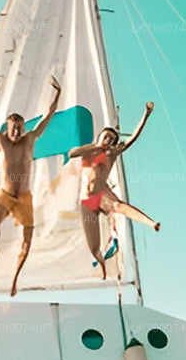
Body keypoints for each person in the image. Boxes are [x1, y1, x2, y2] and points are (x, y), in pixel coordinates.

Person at [0, 76, 61, 296]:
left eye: (19, 128)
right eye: (13, 128)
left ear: (24, 127)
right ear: (7, 128)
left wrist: (58, 93)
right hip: (6, 195)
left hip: (25, 198)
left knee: (27, 241)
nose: (16, 132)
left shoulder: (30, 138)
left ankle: (15, 279)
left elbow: (49, 116)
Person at [67, 102, 160, 279]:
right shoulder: (89, 151)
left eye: (112, 140)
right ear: (100, 137)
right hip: (87, 200)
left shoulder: (111, 154)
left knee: (118, 205)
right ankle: (101, 263)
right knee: (94, 246)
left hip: (102, 194)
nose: (108, 141)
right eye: (106, 138)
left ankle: (151, 223)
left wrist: (146, 115)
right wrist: (97, 146)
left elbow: (132, 138)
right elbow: (72, 153)